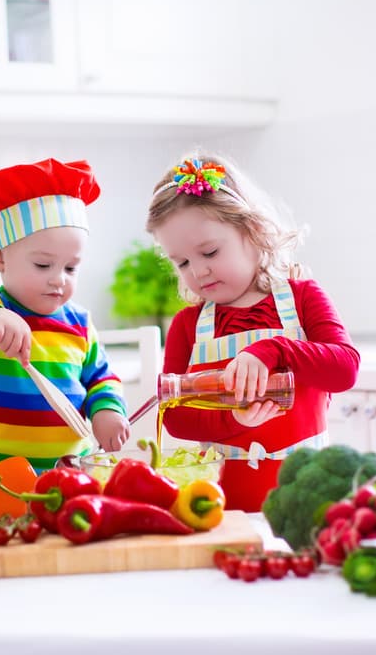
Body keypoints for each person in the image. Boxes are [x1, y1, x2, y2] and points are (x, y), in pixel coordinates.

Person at [145, 154, 360, 512]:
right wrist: (233, 419)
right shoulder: (188, 325)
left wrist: (276, 349)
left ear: (252, 231)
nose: (197, 271)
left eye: (210, 252)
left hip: (309, 504)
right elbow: (175, 417)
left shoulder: (302, 297)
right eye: (181, 262)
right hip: (225, 509)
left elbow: (345, 369)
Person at [0, 158, 130, 510]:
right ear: (0, 258)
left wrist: (107, 409)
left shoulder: (79, 323)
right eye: (43, 265)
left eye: (71, 267)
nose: (58, 278)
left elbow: (102, 378)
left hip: (72, 471)